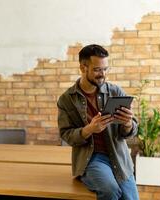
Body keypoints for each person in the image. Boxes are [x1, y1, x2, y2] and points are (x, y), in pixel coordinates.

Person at [57, 44, 139, 200]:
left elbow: (131, 131)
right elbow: (66, 135)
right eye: (97, 70)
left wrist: (128, 124)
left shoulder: (115, 92)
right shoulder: (67, 99)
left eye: (105, 69)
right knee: (110, 191)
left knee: (130, 198)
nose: (103, 74)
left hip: (118, 156)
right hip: (92, 158)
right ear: (83, 68)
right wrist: (89, 129)